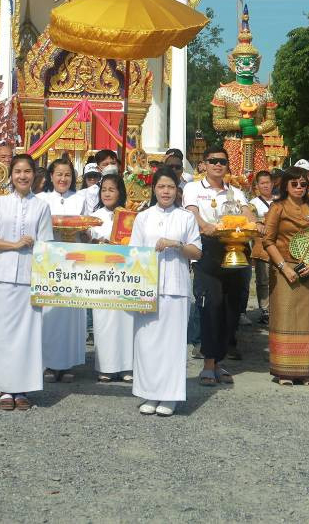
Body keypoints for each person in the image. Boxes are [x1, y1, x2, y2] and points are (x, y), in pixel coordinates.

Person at [0, 153, 53, 410]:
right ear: (10, 175)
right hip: (3, 276)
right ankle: (5, 388)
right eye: (18, 172)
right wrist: (12, 245)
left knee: (28, 335)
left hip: (30, 277)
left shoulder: (42, 206)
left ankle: (22, 388)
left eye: (27, 171)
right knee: (3, 333)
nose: (22, 176)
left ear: (34, 175)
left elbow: (48, 245)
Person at [130, 168, 202, 417]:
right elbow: (133, 255)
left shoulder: (186, 218)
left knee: (171, 343)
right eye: (161, 187)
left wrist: (176, 244)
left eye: (170, 187)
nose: (166, 191)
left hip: (176, 287)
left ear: (177, 190)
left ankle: (170, 395)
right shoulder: (143, 218)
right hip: (147, 289)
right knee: (146, 342)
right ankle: (149, 392)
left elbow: (197, 252)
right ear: (154, 189)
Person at [185, 148, 249, 387]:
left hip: (236, 249)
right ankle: (208, 363)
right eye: (213, 161)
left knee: (232, 309)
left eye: (222, 162)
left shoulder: (236, 192)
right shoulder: (194, 188)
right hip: (208, 250)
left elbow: (246, 213)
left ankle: (220, 361)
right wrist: (205, 226)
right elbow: (192, 214)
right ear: (204, 165)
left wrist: (257, 225)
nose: (218, 165)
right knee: (211, 306)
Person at [262, 167, 309, 386]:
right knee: (284, 316)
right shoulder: (277, 207)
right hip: (283, 267)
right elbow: (268, 240)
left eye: (303, 184)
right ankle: (283, 370)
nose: (299, 188)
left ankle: (304, 371)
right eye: (294, 184)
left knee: (306, 319)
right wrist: (283, 266)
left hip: (308, 269)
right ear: (285, 185)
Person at [36, 157, 90, 383]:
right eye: (59, 174)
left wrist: (87, 233)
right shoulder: (40, 199)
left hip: (73, 262)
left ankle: (68, 363)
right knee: (49, 312)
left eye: (67, 175)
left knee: (70, 313)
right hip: (49, 262)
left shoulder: (80, 198)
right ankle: (48, 363)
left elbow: (86, 229)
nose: (63, 179)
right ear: (50, 176)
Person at [88, 173, 134, 383]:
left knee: (126, 319)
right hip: (102, 275)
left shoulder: (129, 215)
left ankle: (127, 366)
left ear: (120, 192)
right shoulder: (94, 217)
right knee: (104, 320)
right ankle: (106, 366)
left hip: (124, 274)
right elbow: (87, 243)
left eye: (112, 189)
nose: (107, 193)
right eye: (104, 189)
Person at [249, 168, 279, 325]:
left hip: (279, 245)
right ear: (257, 186)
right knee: (263, 279)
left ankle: (278, 308)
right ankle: (265, 309)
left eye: (268, 182)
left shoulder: (280, 200)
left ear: (273, 183)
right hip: (262, 246)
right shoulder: (252, 204)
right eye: (262, 183)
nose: (265, 186)